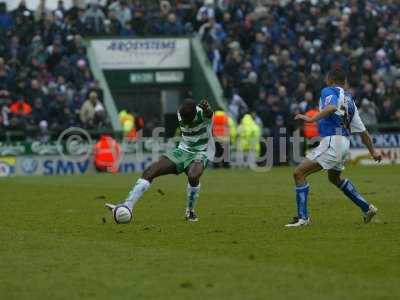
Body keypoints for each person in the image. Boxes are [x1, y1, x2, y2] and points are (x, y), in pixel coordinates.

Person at [286, 69, 382, 227]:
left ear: (329, 79)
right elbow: (363, 132)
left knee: (298, 173)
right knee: (334, 178)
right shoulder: (350, 101)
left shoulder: (328, 90)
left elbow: (330, 107)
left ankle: (303, 218)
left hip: (332, 141)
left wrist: (311, 119)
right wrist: (373, 151)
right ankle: (367, 208)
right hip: (344, 142)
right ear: (344, 83)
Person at [106, 99, 214, 222]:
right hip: (182, 151)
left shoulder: (203, 114)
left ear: (195, 114)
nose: (184, 121)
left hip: (200, 152)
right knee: (150, 171)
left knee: (193, 176)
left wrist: (207, 109)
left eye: (187, 119)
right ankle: (127, 205)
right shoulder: (181, 113)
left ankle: (190, 211)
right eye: (183, 118)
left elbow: (209, 114)